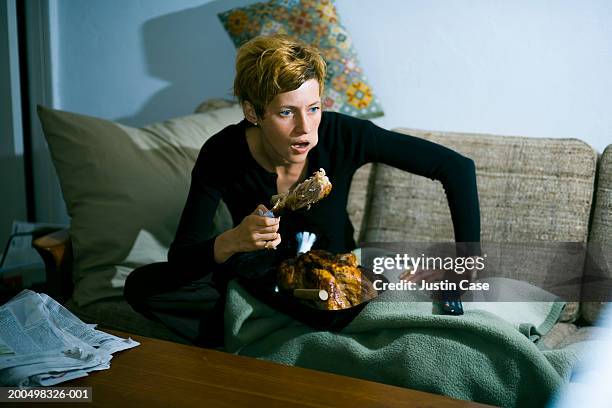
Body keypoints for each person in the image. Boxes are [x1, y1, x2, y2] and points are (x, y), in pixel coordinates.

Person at [124, 34, 480, 347]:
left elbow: (456, 167)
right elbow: (182, 257)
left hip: (333, 277)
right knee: (142, 285)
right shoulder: (222, 153)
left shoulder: (344, 135)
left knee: (331, 301)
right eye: (286, 113)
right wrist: (232, 240)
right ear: (253, 113)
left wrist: (467, 260)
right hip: (257, 276)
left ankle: (262, 333)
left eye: (313, 108)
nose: (305, 129)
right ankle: (281, 331)